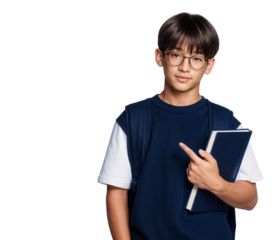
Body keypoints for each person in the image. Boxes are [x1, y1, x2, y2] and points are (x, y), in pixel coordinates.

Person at [97, 10, 264, 240]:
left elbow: (250, 200)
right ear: (159, 57)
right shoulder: (132, 118)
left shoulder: (227, 122)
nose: (185, 67)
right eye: (176, 55)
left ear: (209, 66)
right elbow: (116, 194)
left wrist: (216, 184)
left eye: (196, 59)